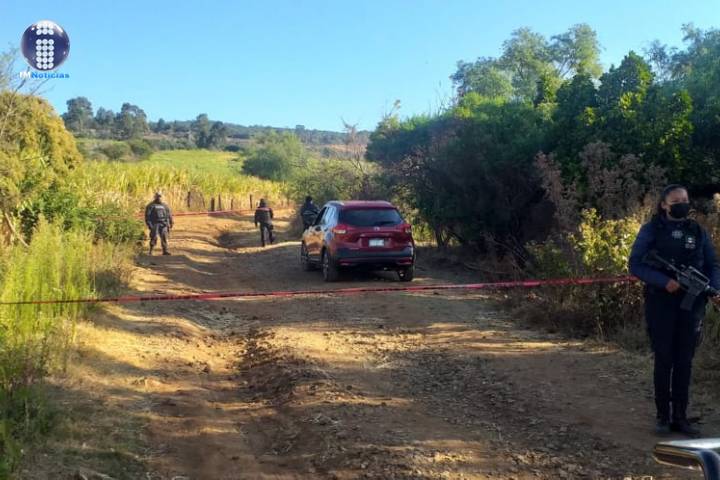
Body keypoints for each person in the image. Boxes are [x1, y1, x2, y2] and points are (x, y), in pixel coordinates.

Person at [629, 184, 720, 436]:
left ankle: (680, 416)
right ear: (664, 205)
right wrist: (663, 281)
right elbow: (635, 264)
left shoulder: (697, 231)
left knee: (684, 361)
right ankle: (663, 417)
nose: (682, 203)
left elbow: (713, 264)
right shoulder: (652, 230)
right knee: (664, 359)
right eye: (676, 200)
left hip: (692, 305)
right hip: (661, 303)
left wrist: (714, 289)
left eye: (685, 200)